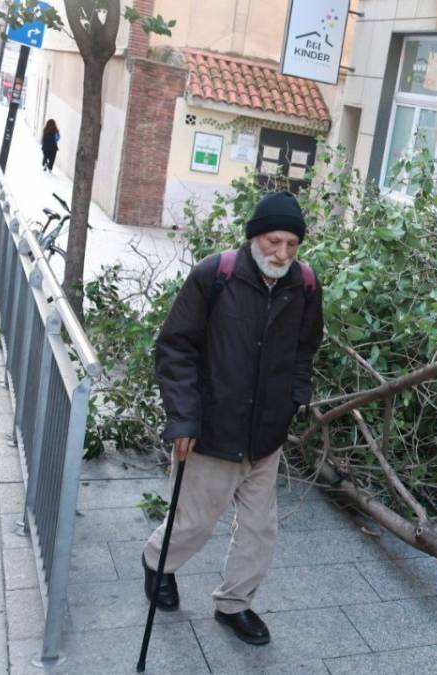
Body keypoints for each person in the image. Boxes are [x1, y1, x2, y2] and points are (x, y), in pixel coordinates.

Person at [142, 191, 324, 645]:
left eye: (291, 244)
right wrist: (183, 419)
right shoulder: (215, 274)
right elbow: (175, 348)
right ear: (253, 236)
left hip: (267, 433)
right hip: (212, 429)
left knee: (260, 530)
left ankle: (234, 603)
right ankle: (157, 562)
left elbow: (306, 347)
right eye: (273, 241)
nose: (281, 253)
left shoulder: (304, 284)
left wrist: (295, 396)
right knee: (194, 522)